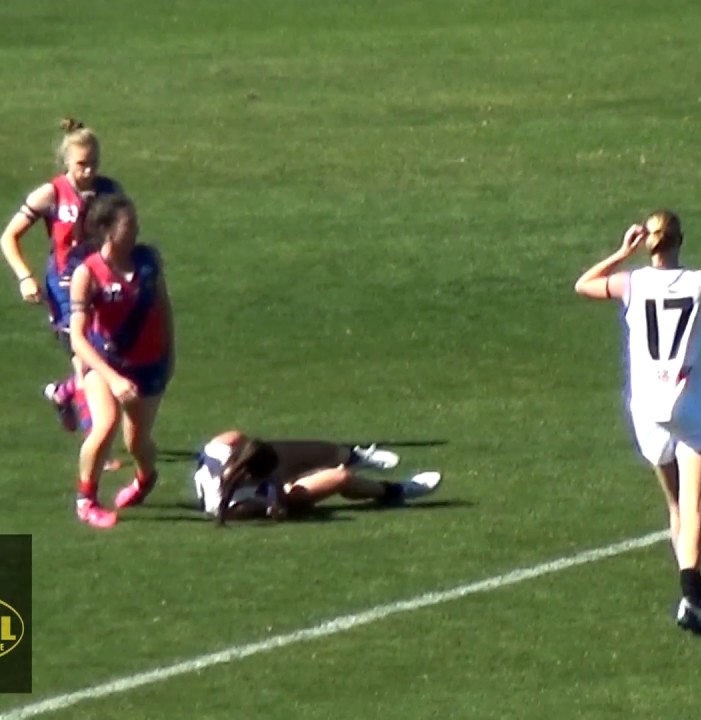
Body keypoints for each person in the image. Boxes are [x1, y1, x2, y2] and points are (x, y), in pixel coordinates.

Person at [574, 210, 701, 636]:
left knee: (675, 506)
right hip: (690, 403)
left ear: (649, 241)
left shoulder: (631, 282)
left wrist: (621, 251)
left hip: (647, 406)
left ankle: (694, 596)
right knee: (695, 511)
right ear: (680, 240)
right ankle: (692, 596)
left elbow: (584, 284)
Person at [0, 117, 123, 430]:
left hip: (101, 283)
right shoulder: (51, 193)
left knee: (109, 356)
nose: (89, 171)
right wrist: (25, 277)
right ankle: (95, 442)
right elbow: (8, 237)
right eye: (82, 164)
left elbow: (123, 235)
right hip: (65, 287)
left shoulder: (110, 192)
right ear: (67, 161)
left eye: (94, 163)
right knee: (85, 361)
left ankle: (63, 393)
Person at [66, 193, 173, 528]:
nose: (137, 228)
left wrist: (169, 355)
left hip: (149, 366)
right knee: (105, 425)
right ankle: (87, 500)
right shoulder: (88, 274)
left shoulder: (149, 261)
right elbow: (78, 338)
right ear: (109, 232)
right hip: (106, 363)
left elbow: (163, 306)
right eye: (130, 224)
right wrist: (111, 378)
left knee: (136, 441)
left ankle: (145, 478)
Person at [193, 431, 443, 522]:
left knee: (283, 449)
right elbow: (277, 504)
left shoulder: (221, 449)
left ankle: (352, 455)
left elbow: (236, 436)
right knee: (340, 478)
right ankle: (396, 491)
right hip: (279, 496)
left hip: (258, 476)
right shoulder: (240, 503)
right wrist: (276, 507)